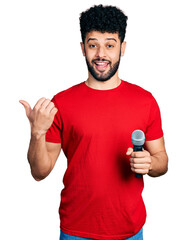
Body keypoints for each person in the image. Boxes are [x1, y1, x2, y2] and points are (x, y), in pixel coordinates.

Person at [20, 4, 168, 240]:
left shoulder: (146, 101)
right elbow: (39, 172)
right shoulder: (62, 103)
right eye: (93, 45)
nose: (101, 54)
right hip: (76, 230)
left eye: (110, 45)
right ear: (82, 48)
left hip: (129, 230)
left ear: (123, 48)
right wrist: (37, 133)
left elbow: (162, 161)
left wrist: (150, 163)